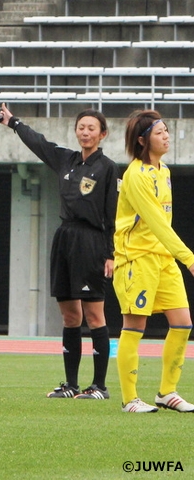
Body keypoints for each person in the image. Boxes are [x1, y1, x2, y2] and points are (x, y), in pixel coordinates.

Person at [0, 103, 119, 400]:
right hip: (64, 238)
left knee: (94, 314)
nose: (85, 132)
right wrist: (14, 123)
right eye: (81, 127)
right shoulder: (67, 160)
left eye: (91, 128)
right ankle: (71, 384)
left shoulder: (108, 167)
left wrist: (111, 253)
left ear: (102, 134)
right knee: (69, 315)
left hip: (91, 241)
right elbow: (39, 143)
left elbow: (112, 214)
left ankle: (99, 386)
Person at [114, 110, 194, 413]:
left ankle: (167, 392)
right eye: (160, 132)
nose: (167, 136)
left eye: (167, 131)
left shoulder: (165, 171)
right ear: (142, 140)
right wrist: (189, 258)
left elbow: (163, 227)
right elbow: (158, 224)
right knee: (134, 325)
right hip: (137, 258)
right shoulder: (136, 175)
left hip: (162, 258)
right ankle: (130, 399)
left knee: (183, 323)